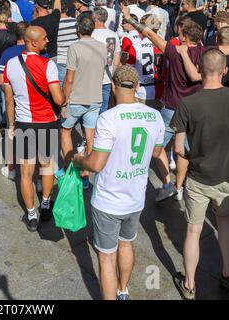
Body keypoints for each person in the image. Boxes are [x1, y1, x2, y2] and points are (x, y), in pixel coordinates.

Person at [74, 65, 165, 300]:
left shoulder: (108, 118)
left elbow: (96, 164)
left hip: (108, 200)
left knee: (106, 256)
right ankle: (123, 290)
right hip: (135, 197)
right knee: (126, 244)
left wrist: (78, 159)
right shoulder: (154, 115)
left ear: (113, 86)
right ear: (136, 87)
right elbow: (156, 152)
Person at [122, 4, 208, 202]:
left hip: (171, 108)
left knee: (155, 147)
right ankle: (178, 187)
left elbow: (149, 34)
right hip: (194, 109)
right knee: (183, 150)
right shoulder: (205, 52)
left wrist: (129, 17)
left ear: (185, 37)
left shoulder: (174, 50)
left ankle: (168, 184)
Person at [170, 48, 229, 300]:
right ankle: (227, 273)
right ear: (224, 71)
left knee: (193, 230)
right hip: (226, 176)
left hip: (198, 177)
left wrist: (192, 158)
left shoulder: (188, 103)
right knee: (224, 225)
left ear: (200, 71)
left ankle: (190, 284)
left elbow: (177, 147)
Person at [2, 25, 65, 232]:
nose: (48, 41)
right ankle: (45, 204)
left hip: (23, 124)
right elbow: (58, 98)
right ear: (33, 42)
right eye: (45, 38)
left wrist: (11, 124)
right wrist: (65, 96)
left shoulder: (10, 65)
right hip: (46, 123)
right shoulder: (49, 65)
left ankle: (31, 214)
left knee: (26, 173)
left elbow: (9, 99)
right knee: (47, 166)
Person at [61, 13, 106, 188]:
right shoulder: (101, 47)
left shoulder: (74, 47)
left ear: (78, 29)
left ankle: (71, 170)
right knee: (90, 136)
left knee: (65, 131)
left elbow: (69, 78)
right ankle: (86, 173)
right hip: (95, 97)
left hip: (76, 98)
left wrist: (64, 102)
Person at [0, 21, 28, 181]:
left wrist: (9, 92)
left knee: (12, 129)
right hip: (34, 100)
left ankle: (11, 168)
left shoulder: (7, 53)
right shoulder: (38, 51)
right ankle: (37, 177)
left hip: (13, 99)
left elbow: (1, 80)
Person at [92, 6, 121, 114]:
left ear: (95, 19)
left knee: (92, 108)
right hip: (107, 78)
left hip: (92, 77)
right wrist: (113, 78)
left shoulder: (91, 34)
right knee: (103, 108)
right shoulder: (113, 35)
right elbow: (116, 61)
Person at [57, 0, 78, 86]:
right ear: (66, 10)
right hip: (74, 58)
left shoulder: (55, 24)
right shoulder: (75, 22)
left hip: (60, 59)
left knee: (62, 86)